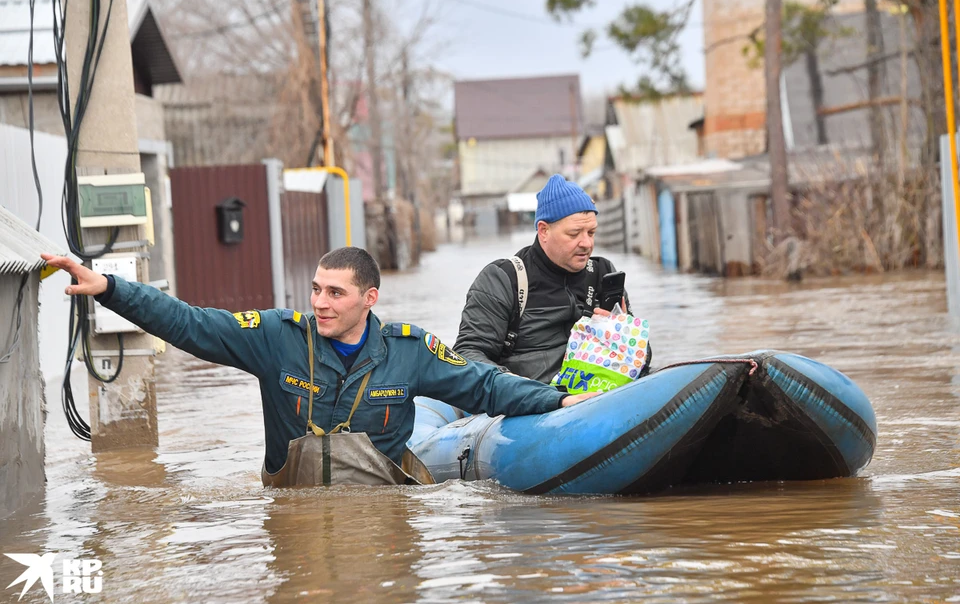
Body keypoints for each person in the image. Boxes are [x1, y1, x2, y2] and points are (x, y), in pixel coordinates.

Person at [41, 247, 596, 484]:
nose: (320, 302)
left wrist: (559, 401)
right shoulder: (277, 340)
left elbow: (485, 386)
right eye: (315, 289)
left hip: (382, 518)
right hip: (293, 511)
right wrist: (110, 289)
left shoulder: (408, 350)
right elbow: (189, 323)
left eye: (335, 292)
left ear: (369, 299)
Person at [454, 173, 649, 383]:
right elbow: (467, 354)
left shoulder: (603, 273)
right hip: (532, 404)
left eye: (591, 232)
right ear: (544, 230)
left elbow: (642, 357)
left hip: (597, 396)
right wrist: (516, 387)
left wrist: (625, 334)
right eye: (574, 234)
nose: (586, 243)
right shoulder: (503, 279)